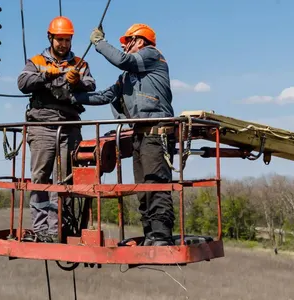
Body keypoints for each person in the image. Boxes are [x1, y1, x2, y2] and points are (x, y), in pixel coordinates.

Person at [70, 24, 176, 246]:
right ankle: (150, 234)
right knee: (143, 187)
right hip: (140, 135)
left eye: (127, 41)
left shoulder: (152, 55)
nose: (124, 45)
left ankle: (161, 236)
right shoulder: (127, 77)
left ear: (140, 41)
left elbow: (122, 60)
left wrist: (99, 43)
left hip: (157, 133)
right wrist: (72, 96)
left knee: (155, 185)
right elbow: (103, 96)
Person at [17, 16, 96, 243]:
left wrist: (76, 81)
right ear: (50, 38)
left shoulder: (80, 63)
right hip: (42, 125)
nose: (63, 44)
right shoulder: (36, 61)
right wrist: (45, 75)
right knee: (40, 176)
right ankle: (41, 228)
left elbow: (91, 85)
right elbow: (22, 83)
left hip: (69, 126)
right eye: (59, 39)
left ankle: (59, 226)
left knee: (65, 179)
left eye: (67, 40)